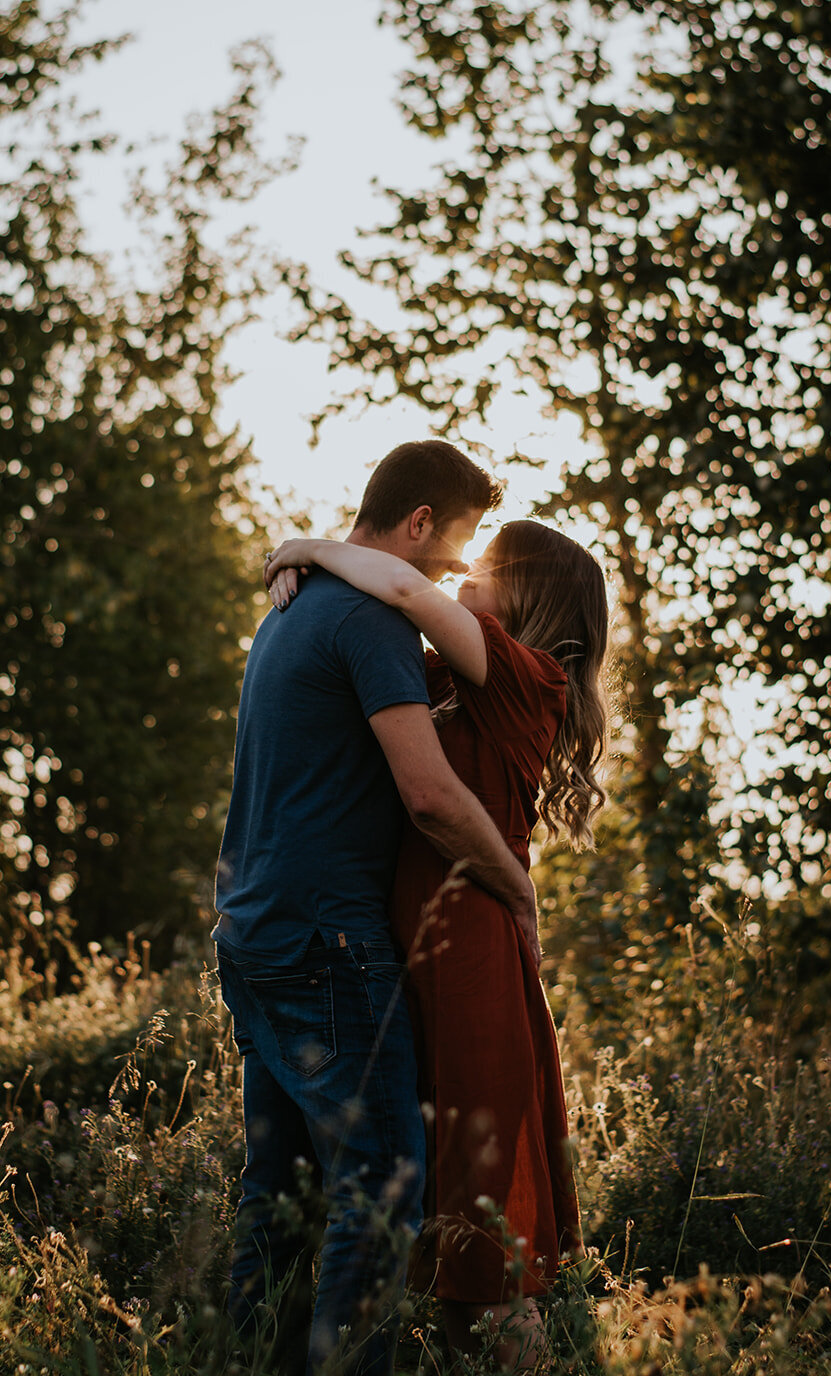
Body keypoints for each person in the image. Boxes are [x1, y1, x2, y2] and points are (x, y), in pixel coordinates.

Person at [213, 441, 543, 1376]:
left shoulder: (287, 609)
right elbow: (430, 797)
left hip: (252, 931)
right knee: (382, 1189)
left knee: (279, 1197)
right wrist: (516, 890)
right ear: (420, 523)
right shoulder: (370, 620)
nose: (453, 570)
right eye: (453, 548)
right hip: (325, 945)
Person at [265, 517, 609, 1373]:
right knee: (452, 1240)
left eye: (490, 567)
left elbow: (407, 590)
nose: (467, 571)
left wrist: (305, 547)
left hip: (472, 960)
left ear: (529, 599)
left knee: (486, 1246)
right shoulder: (454, 682)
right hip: (423, 957)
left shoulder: (524, 677)